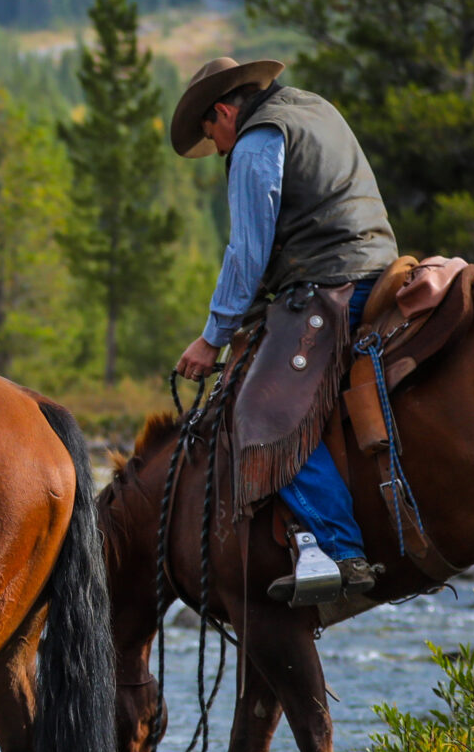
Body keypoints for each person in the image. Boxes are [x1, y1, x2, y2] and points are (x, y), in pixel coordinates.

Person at [167, 57, 399, 603]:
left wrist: (213, 337)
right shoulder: (314, 109)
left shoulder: (255, 141)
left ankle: (343, 549)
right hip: (378, 266)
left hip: (329, 284)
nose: (219, 148)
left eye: (213, 135)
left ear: (224, 111)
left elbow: (247, 252)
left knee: (259, 416)